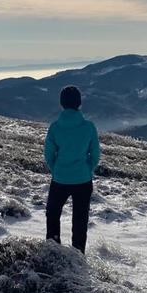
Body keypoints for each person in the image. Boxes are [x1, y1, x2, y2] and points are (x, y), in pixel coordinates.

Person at [43, 85, 100, 253]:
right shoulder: (89, 126)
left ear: (62, 103)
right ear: (79, 103)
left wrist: (57, 170)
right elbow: (95, 154)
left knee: (53, 215)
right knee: (80, 219)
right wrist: (88, 169)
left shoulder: (55, 127)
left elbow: (48, 154)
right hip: (83, 179)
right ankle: (78, 254)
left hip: (60, 179)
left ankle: (54, 250)